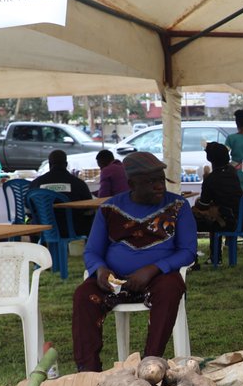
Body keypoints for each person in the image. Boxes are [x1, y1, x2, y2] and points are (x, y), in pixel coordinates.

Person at [72, 152, 197, 371]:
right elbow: (92, 251)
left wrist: (153, 269)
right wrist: (100, 270)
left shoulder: (178, 207)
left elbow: (188, 251)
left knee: (171, 288)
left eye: (161, 180)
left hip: (157, 278)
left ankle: (150, 364)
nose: (159, 186)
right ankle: (88, 371)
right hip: (113, 280)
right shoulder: (110, 209)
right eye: (151, 182)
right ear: (132, 184)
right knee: (84, 296)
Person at [30, 149, 95, 235]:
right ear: (66, 164)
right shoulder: (78, 184)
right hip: (73, 229)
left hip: (44, 228)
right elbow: (89, 207)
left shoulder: (36, 183)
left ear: (49, 165)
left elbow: (29, 206)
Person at [192, 142, 243, 232]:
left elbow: (204, 205)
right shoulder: (232, 172)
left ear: (209, 158)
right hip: (240, 218)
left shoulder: (211, 179)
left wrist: (197, 204)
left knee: (187, 217)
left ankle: (187, 244)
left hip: (226, 221)